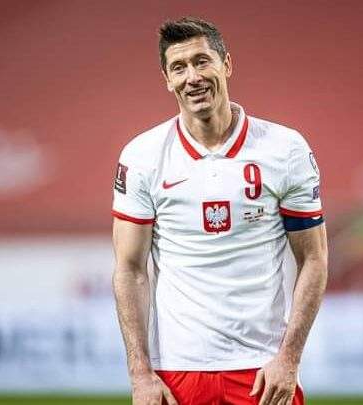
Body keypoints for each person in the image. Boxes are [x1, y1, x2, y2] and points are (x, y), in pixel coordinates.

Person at [111, 17, 327, 405]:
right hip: (177, 372)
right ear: (167, 79)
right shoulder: (142, 156)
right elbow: (129, 269)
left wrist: (289, 359)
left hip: (263, 373)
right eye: (179, 67)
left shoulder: (285, 149)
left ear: (226, 64)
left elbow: (314, 258)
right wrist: (140, 375)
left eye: (202, 61)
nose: (192, 77)